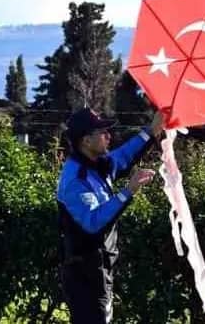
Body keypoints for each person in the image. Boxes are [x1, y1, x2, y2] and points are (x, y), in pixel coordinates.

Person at [57, 107, 165, 323]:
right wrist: (128, 191)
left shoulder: (97, 164)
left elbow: (124, 156)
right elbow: (93, 222)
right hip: (85, 277)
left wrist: (151, 131)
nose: (109, 135)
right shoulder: (75, 180)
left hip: (99, 270)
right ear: (86, 141)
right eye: (102, 132)